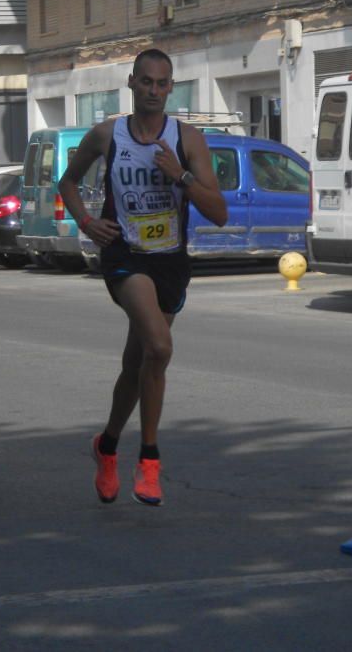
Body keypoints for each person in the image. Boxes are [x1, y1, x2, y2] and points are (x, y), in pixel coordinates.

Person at [57, 48, 227, 506]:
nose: (153, 91)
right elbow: (67, 183)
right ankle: (149, 461)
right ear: (131, 84)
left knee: (138, 364)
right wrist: (88, 224)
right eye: (145, 82)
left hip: (169, 261)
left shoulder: (187, 139)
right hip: (124, 256)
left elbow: (220, 214)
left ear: (171, 87)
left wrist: (182, 176)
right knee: (159, 346)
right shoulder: (108, 134)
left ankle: (107, 446)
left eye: (162, 83)